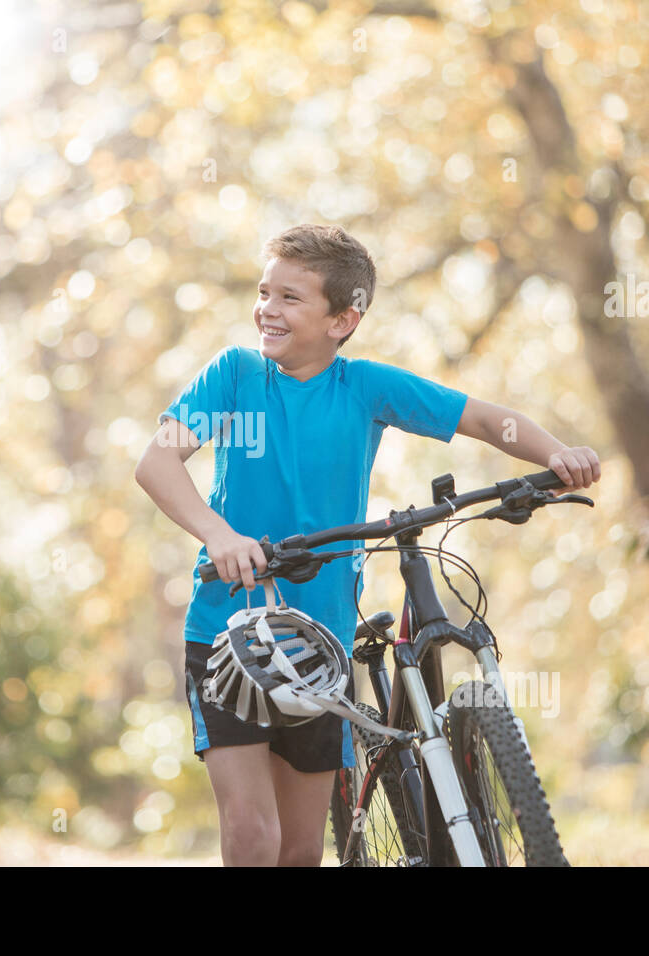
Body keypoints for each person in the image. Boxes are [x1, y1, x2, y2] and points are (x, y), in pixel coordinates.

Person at [135, 224, 601, 866]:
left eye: (291, 298)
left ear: (342, 319)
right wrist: (220, 535)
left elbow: (487, 420)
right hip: (228, 633)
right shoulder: (235, 376)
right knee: (254, 838)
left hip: (321, 643)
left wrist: (558, 454)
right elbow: (157, 465)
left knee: (300, 852)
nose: (267, 308)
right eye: (265, 291)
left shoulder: (363, 387)